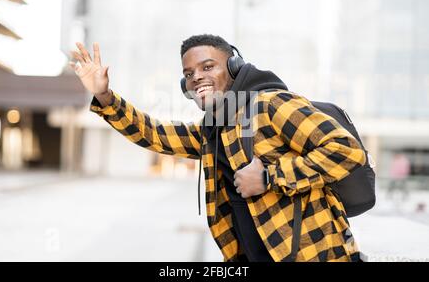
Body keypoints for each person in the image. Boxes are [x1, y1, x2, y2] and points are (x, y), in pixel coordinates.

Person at [70, 34, 366, 262]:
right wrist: (105, 95)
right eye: (188, 73)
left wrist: (268, 178)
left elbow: (346, 150)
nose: (196, 76)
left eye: (207, 66)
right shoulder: (214, 131)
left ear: (234, 67)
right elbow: (154, 134)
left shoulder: (270, 105)